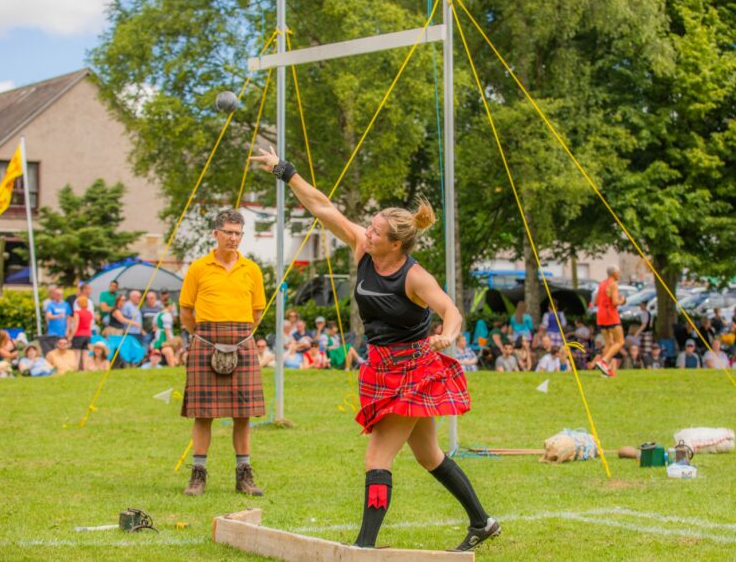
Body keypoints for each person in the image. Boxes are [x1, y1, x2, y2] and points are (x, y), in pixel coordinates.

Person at [252, 147, 499, 551]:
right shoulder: (363, 248)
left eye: (375, 231)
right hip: (381, 367)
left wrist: (449, 335)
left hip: (413, 371)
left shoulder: (415, 276)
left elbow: (450, 309)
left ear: (396, 244)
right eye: (369, 227)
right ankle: (482, 521)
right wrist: (285, 170)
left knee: (376, 459)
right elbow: (323, 207)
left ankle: (363, 548)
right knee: (428, 455)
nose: (367, 232)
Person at [179, 209, 267, 497]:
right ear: (215, 233)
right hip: (205, 340)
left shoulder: (251, 269)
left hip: (242, 340)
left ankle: (244, 475)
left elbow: (257, 313)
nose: (233, 238)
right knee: (203, 415)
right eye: (228, 232)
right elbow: (186, 311)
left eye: (238, 233)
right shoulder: (198, 267)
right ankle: (198, 475)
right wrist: (203, 338)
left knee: (243, 414)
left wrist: (237, 336)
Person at [594, 266, 626, 377]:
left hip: (600, 315)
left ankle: (604, 370)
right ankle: (604, 361)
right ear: (614, 273)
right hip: (610, 315)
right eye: (619, 272)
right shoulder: (613, 284)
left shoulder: (602, 284)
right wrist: (623, 301)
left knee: (609, 343)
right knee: (620, 341)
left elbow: (596, 301)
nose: (620, 274)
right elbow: (615, 302)